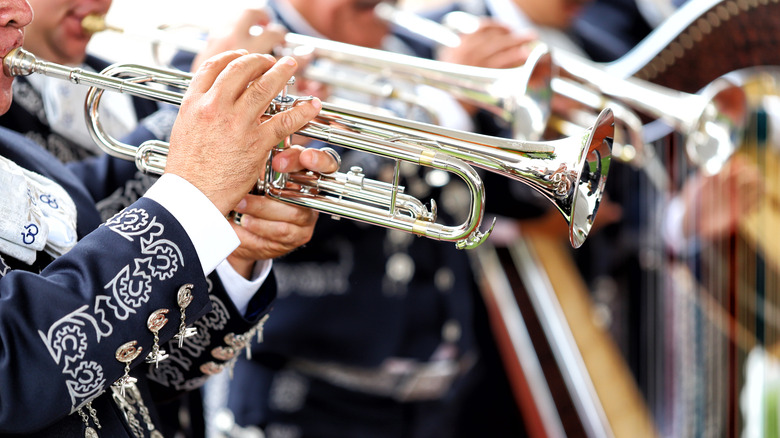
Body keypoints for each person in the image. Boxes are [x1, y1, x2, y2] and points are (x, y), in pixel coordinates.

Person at [172, 1, 558, 438]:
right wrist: (446, 111)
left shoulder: (425, 49)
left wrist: (532, 116)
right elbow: (282, 216)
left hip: (438, 395)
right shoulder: (225, 59)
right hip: (306, 397)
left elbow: (522, 198)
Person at [0, 0, 342, 434]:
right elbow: (18, 367)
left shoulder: (19, 157)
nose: (20, 12)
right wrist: (192, 198)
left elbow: (134, 371)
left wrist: (239, 250)